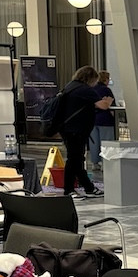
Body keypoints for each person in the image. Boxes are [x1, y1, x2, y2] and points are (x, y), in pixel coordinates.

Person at [59, 65, 112, 198]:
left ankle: (88, 187)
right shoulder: (85, 89)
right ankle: (69, 190)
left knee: (76, 159)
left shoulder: (71, 86)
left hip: (68, 128)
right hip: (76, 130)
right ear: (90, 79)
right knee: (74, 159)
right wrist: (108, 100)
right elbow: (103, 105)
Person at [88, 70, 115, 172]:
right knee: (106, 142)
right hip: (105, 120)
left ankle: (95, 163)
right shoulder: (106, 90)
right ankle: (106, 163)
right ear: (106, 79)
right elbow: (111, 105)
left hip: (92, 120)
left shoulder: (91, 89)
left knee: (94, 142)